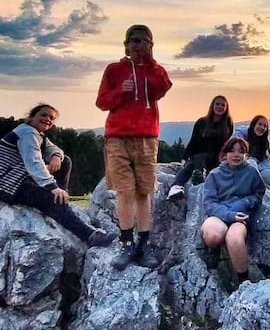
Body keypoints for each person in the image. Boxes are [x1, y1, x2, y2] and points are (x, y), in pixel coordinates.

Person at [96, 24, 172, 270]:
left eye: (143, 41)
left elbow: (163, 88)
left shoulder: (155, 71)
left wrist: (150, 63)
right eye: (134, 41)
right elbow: (101, 102)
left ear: (151, 44)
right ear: (126, 45)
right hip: (117, 137)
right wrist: (120, 90)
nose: (138, 45)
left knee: (143, 192)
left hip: (147, 138)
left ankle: (144, 243)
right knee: (124, 192)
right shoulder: (114, 70)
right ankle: (126, 242)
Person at [0, 104, 116, 247]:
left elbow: (54, 149)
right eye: (43, 115)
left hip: (16, 179)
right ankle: (89, 235)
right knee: (52, 199)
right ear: (31, 117)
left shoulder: (37, 134)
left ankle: (60, 202)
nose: (47, 119)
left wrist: (55, 156)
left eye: (51, 118)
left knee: (65, 160)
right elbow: (34, 162)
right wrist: (52, 187)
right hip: (6, 184)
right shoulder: (27, 133)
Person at [201, 138, 265, 284]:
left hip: (241, 217)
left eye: (241, 151)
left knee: (234, 238)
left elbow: (259, 193)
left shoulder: (251, 172)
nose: (236, 155)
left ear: (246, 155)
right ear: (225, 154)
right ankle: (214, 250)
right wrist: (230, 214)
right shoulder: (214, 175)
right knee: (213, 235)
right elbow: (209, 203)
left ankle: (243, 281)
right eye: (232, 151)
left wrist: (246, 202)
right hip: (218, 215)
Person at [167, 95, 234, 200]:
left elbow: (226, 145)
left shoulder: (228, 124)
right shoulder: (201, 122)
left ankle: (178, 185)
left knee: (194, 162)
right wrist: (185, 157)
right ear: (212, 105)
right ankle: (177, 187)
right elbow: (193, 141)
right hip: (198, 156)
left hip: (217, 158)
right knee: (191, 163)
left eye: (223, 105)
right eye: (217, 104)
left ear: (226, 108)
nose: (220, 107)